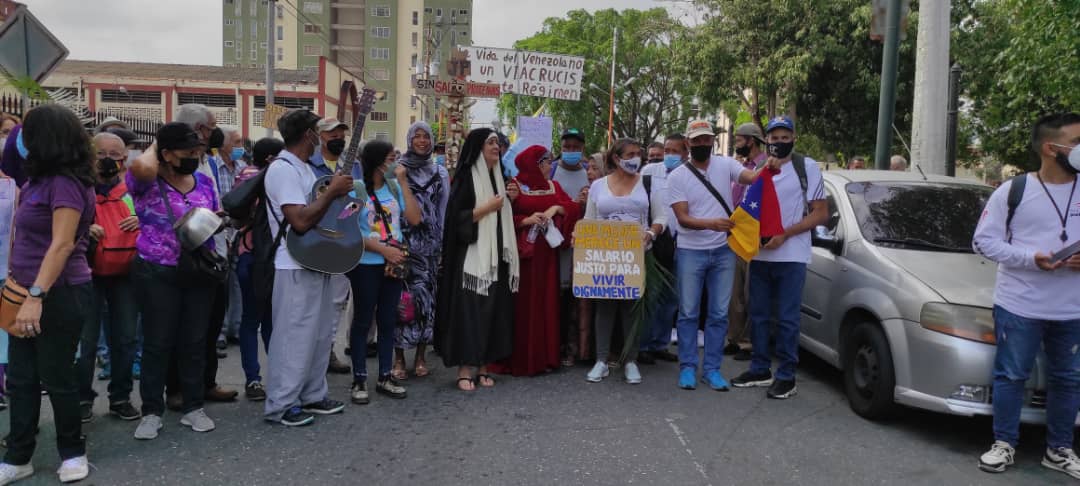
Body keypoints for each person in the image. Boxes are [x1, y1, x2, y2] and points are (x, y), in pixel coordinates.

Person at [972, 112, 1080, 479]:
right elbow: (983, 241)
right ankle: (1004, 444)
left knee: (1068, 379)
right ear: (1052, 149)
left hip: (1072, 309)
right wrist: (1031, 259)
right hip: (1020, 305)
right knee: (1011, 375)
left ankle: (1060, 449)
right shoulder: (1013, 191)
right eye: (1077, 142)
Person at [0, 104, 95, 484]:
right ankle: (17, 455)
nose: (20, 140)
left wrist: (36, 296)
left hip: (57, 292)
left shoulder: (66, 183)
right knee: (21, 378)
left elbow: (62, 244)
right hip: (23, 289)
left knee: (56, 375)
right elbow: (9, 154)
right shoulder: (35, 179)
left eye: (28, 133)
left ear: (44, 140)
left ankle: (72, 452)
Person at [125, 122, 221, 440]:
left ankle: (193, 406)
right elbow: (140, 165)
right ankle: (151, 411)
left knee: (194, 342)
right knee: (157, 343)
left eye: (198, 151)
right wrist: (157, 145)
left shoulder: (204, 182)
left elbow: (216, 216)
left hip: (197, 272)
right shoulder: (146, 181)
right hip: (157, 272)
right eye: (187, 152)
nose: (195, 156)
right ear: (166, 154)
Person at [262, 109, 352, 427]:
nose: (321, 137)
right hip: (293, 262)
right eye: (317, 131)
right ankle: (281, 403)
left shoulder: (304, 169)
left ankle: (313, 394)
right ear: (308, 135)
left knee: (318, 333)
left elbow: (322, 212)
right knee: (294, 335)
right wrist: (332, 193)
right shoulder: (283, 169)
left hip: (317, 259)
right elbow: (299, 220)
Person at [730, 116, 827, 399]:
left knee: (786, 318)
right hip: (760, 255)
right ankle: (760, 368)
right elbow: (751, 210)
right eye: (774, 138)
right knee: (758, 316)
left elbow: (820, 213)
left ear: (794, 139)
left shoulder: (805, 167)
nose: (780, 142)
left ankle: (787, 375)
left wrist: (785, 234)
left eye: (786, 137)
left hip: (792, 256)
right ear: (767, 141)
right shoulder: (759, 169)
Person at [668, 119, 766, 391]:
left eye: (706, 139)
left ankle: (711, 369)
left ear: (713, 141)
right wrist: (712, 224)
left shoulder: (726, 164)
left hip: (723, 251)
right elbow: (683, 218)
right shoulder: (677, 176)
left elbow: (751, 177)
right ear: (688, 143)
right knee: (688, 312)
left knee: (719, 314)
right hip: (690, 251)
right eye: (696, 140)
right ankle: (687, 367)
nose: (702, 144)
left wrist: (769, 164)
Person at [435, 128, 519, 391]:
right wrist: (486, 208)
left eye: (498, 143)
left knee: (492, 311)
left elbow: (501, 216)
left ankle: (484, 366)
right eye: (491, 143)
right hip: (470, 259)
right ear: (478, 148)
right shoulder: (465, 178)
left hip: (496, 260)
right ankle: (464, 369)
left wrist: (509, 200)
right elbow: (454, 220)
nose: (496, 147)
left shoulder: (499, 177)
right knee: (468, 313)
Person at [490, 145, 580, 377]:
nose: (551, 166)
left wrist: (556, 208)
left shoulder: (553, 186)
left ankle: (545, 357)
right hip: (523, 254)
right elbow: (501, 216)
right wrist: (526, 220)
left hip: (546, 255)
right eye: (547, 162)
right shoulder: (515, 186)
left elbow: (570, 207)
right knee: (522, 304)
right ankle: (521, 357)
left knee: (546, 301)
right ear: (537, 163)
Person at [582, 138, 666, 384]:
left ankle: (630, 361)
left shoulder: (648, 184)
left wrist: (651, 233)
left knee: (632, 309)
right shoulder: (598, 186)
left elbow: (662, 216)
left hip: (638, 256)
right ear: (617, 158)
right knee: (605, 308)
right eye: (630, 154)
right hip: (606, 257)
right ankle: (601, 361)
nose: (635, 159)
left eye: (638, 154)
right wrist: (582, 237)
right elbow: (590, 219)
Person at [346, 140, 419, 404]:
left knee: (389, 319)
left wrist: (403, 183)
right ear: (377, 161)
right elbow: (347, 229)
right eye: (391, 159)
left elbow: (414, 218)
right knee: (364, 320)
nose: (396, 163)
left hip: (394, 264)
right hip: (366, 263)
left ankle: (385, 376)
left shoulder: (393, 187)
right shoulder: (356, 190)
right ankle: (359, 378)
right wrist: (380, 249)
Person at [75, 133, 141, 424]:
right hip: (87, 273)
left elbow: (157, 220)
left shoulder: (134, 191)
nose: (107, 160)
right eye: (100, 154)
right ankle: (82, 399)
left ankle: (121, 397)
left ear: (125, 158)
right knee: (86, 342)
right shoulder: (78, 188)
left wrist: (142, 219)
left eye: (114, 154)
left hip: (125, 273)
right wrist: (84, 228)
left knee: (125, 338)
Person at [393, 121, 449, 380]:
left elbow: (443, 209)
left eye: (426, 137)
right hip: (403, 244)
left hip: (429, 247)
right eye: (416, 137)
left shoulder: (440, 171)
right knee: (401, 302)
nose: (422, 141)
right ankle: (399, 358)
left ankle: (420, 357)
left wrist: (443, 245)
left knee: (427, 302)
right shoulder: (398, 169)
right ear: (409, 139)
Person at [234, 137, 285, 402]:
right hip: (258, 256)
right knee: (259, 319)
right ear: (270, 160)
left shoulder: (245, 176)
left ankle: (257, 378)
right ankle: (259, 377)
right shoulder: (256, 177)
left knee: (260, 319)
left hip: (255, 255)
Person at [309, 117, 355, 376]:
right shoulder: (309, 165)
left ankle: (327, 351)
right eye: (332, 134)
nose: (337, 138)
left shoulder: (352, 165)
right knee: (312, 301)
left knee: (336, 301)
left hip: (342, 239)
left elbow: (357, 201)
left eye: (341, 133)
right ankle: (310, 352)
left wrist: (344, 218)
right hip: (313, 239)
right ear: (320, 136)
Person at [636, 134, 687, 364]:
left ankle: (660, 344)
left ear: (685, 153)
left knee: (671, 298)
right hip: (655, 241)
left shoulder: (692, 175)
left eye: (676, 151)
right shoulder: (648, 172)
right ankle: (644, 345)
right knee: (652, 295)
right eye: (667, 150)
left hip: (682, 243)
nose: (670, 155)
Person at [726, 123, 768, 362]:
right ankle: (733, 338)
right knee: (735, 293)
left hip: (755, 238)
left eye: (739, 140)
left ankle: (747, 343)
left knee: (751, 292)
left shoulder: (765, 166)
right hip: (735, 237)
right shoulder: (740, 168)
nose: (737, 144)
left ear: (751, 141)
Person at [551, 128, 590, 364]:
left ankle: (576, 348)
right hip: (557, 244)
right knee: (558, 296)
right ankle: (556, 345)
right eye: (567, 147)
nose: (572, 151)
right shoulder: (552, 171)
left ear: (582, 149)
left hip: (584, 245)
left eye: (576, 147)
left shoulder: (590, 173)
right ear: (561, 148)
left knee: (579, 298)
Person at [216, 127, 247, 347]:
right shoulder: (212, 167)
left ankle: (235, 328)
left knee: (237, 283)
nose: (240, 147)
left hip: (238, 232)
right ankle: (220, 330)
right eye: (236, 142)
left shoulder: (243, 168)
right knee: (219, 286)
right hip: (218, 232)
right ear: (224, 145)